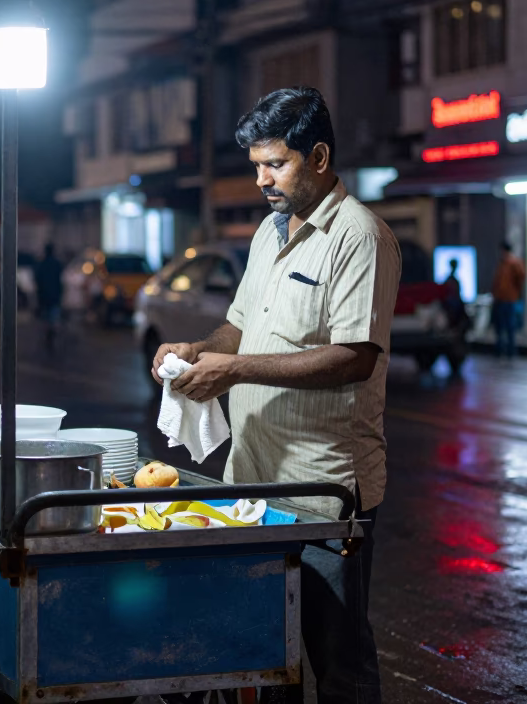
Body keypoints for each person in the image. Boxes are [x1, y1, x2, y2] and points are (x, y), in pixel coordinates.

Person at [151, 88, 400, 704]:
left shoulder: (358, 237)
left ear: (318, 157)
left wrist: (235, 372)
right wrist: (198, 350)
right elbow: (239, 324)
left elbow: (355, 357)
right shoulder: (269, 232)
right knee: (267, 658)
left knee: (339, 664)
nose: (261, 179)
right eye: (256, 165)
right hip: (253, 488)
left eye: (275, 164)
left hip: (323, 494)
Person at [491, 242, 526, 359]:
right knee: (501, 326)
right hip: (501, 298)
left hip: (509, 299)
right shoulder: (503, 263)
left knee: (509, 325)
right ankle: (501, 349)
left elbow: (521, 278)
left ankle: (510, 350)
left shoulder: (513, 263)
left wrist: (515, 292)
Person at [34, 243, 64, 352]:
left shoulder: (41, 264)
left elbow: (37, 280)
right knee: (53, 318)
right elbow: (61, 280)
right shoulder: (57, 264)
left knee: (46, 318)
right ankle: (51, 334)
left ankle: (49, 335)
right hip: (55, 296)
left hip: (44, 296)